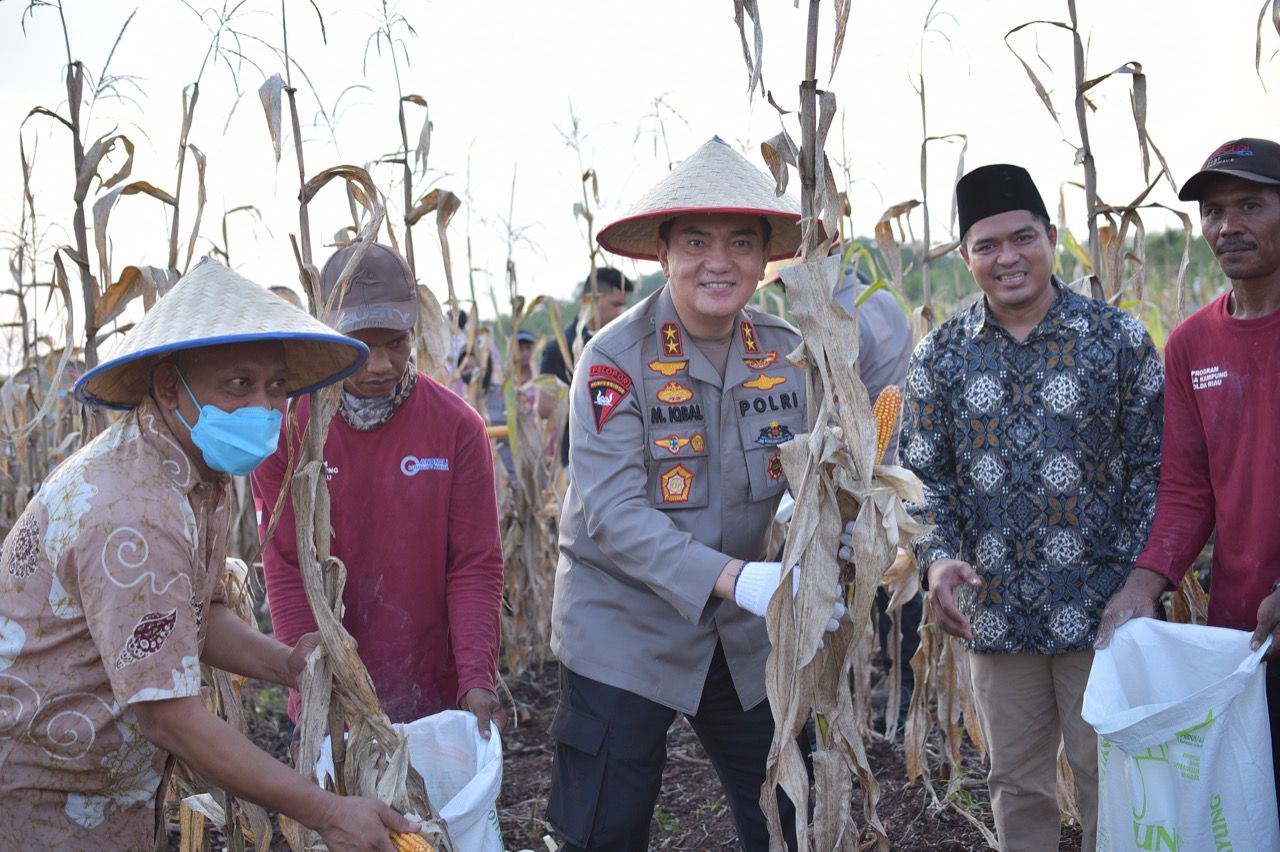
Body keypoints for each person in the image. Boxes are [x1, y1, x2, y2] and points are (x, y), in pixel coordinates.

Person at [0, 258, 418, 850]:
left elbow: (198, 615)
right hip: (44, 792)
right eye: (239, 384)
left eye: (277, 385)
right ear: (170, 388)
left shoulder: (198, 471)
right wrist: (327, 812)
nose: (265, 407)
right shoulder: (133, 510)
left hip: (102, 787)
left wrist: (286, 664)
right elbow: (169, 717)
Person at [547, 136, 843, 851]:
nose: (719, 261)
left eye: (741, 242)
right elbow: (614, 515)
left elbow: (826, 476)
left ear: (766, 258)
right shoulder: (614, 361)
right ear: (663, 254)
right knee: (604, 829)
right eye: (696, 242)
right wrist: (738, 578)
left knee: (790, 815)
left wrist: (841, 545)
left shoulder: (790, 353)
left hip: (743, 630)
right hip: (625, 622)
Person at [900, 164, 1165, 852]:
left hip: (1104, 612)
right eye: (986, 246)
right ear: (966, 257)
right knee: (1015, 783)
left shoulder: (1117, 340)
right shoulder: (940, 357)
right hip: (996, 612)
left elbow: (1156, 468)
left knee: (1112, 775)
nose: (1007, 258)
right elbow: (924, 480)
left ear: (1050, 236)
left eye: (1022, 238)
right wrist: (937, 561)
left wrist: (1137, 581)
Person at [252, 241, 506, 736]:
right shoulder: (289, 431)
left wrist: (477, 678)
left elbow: (475, 564)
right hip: (333, 696)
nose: (380, 365)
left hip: (437, 696)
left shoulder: (457, 427)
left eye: (396, 342)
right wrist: (314, 687)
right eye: (360, 346)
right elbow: (286, 565)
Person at [1096, 136, 1280, 818]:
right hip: (1244, 633)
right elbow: (1187, 488)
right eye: (1213, 212)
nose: (1228, 226)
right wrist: (1145, 583)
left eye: (1251, 206)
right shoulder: (1192, 344)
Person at [830, 255, 918, 731]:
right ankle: (899, 681)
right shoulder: (885, 300)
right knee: (895, 573)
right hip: (898, 459)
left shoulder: (841, 313)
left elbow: (833, 400)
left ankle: (894, 689)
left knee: (883, 577)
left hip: (868, 467)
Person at [538, 267, 636, 465]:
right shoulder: (560, 348)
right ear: (591, 300)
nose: (621, 312)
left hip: (626, 457)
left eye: (624, 305)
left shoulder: (627, 343)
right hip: (579, 462)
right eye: (615, 304)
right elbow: (545, 408)